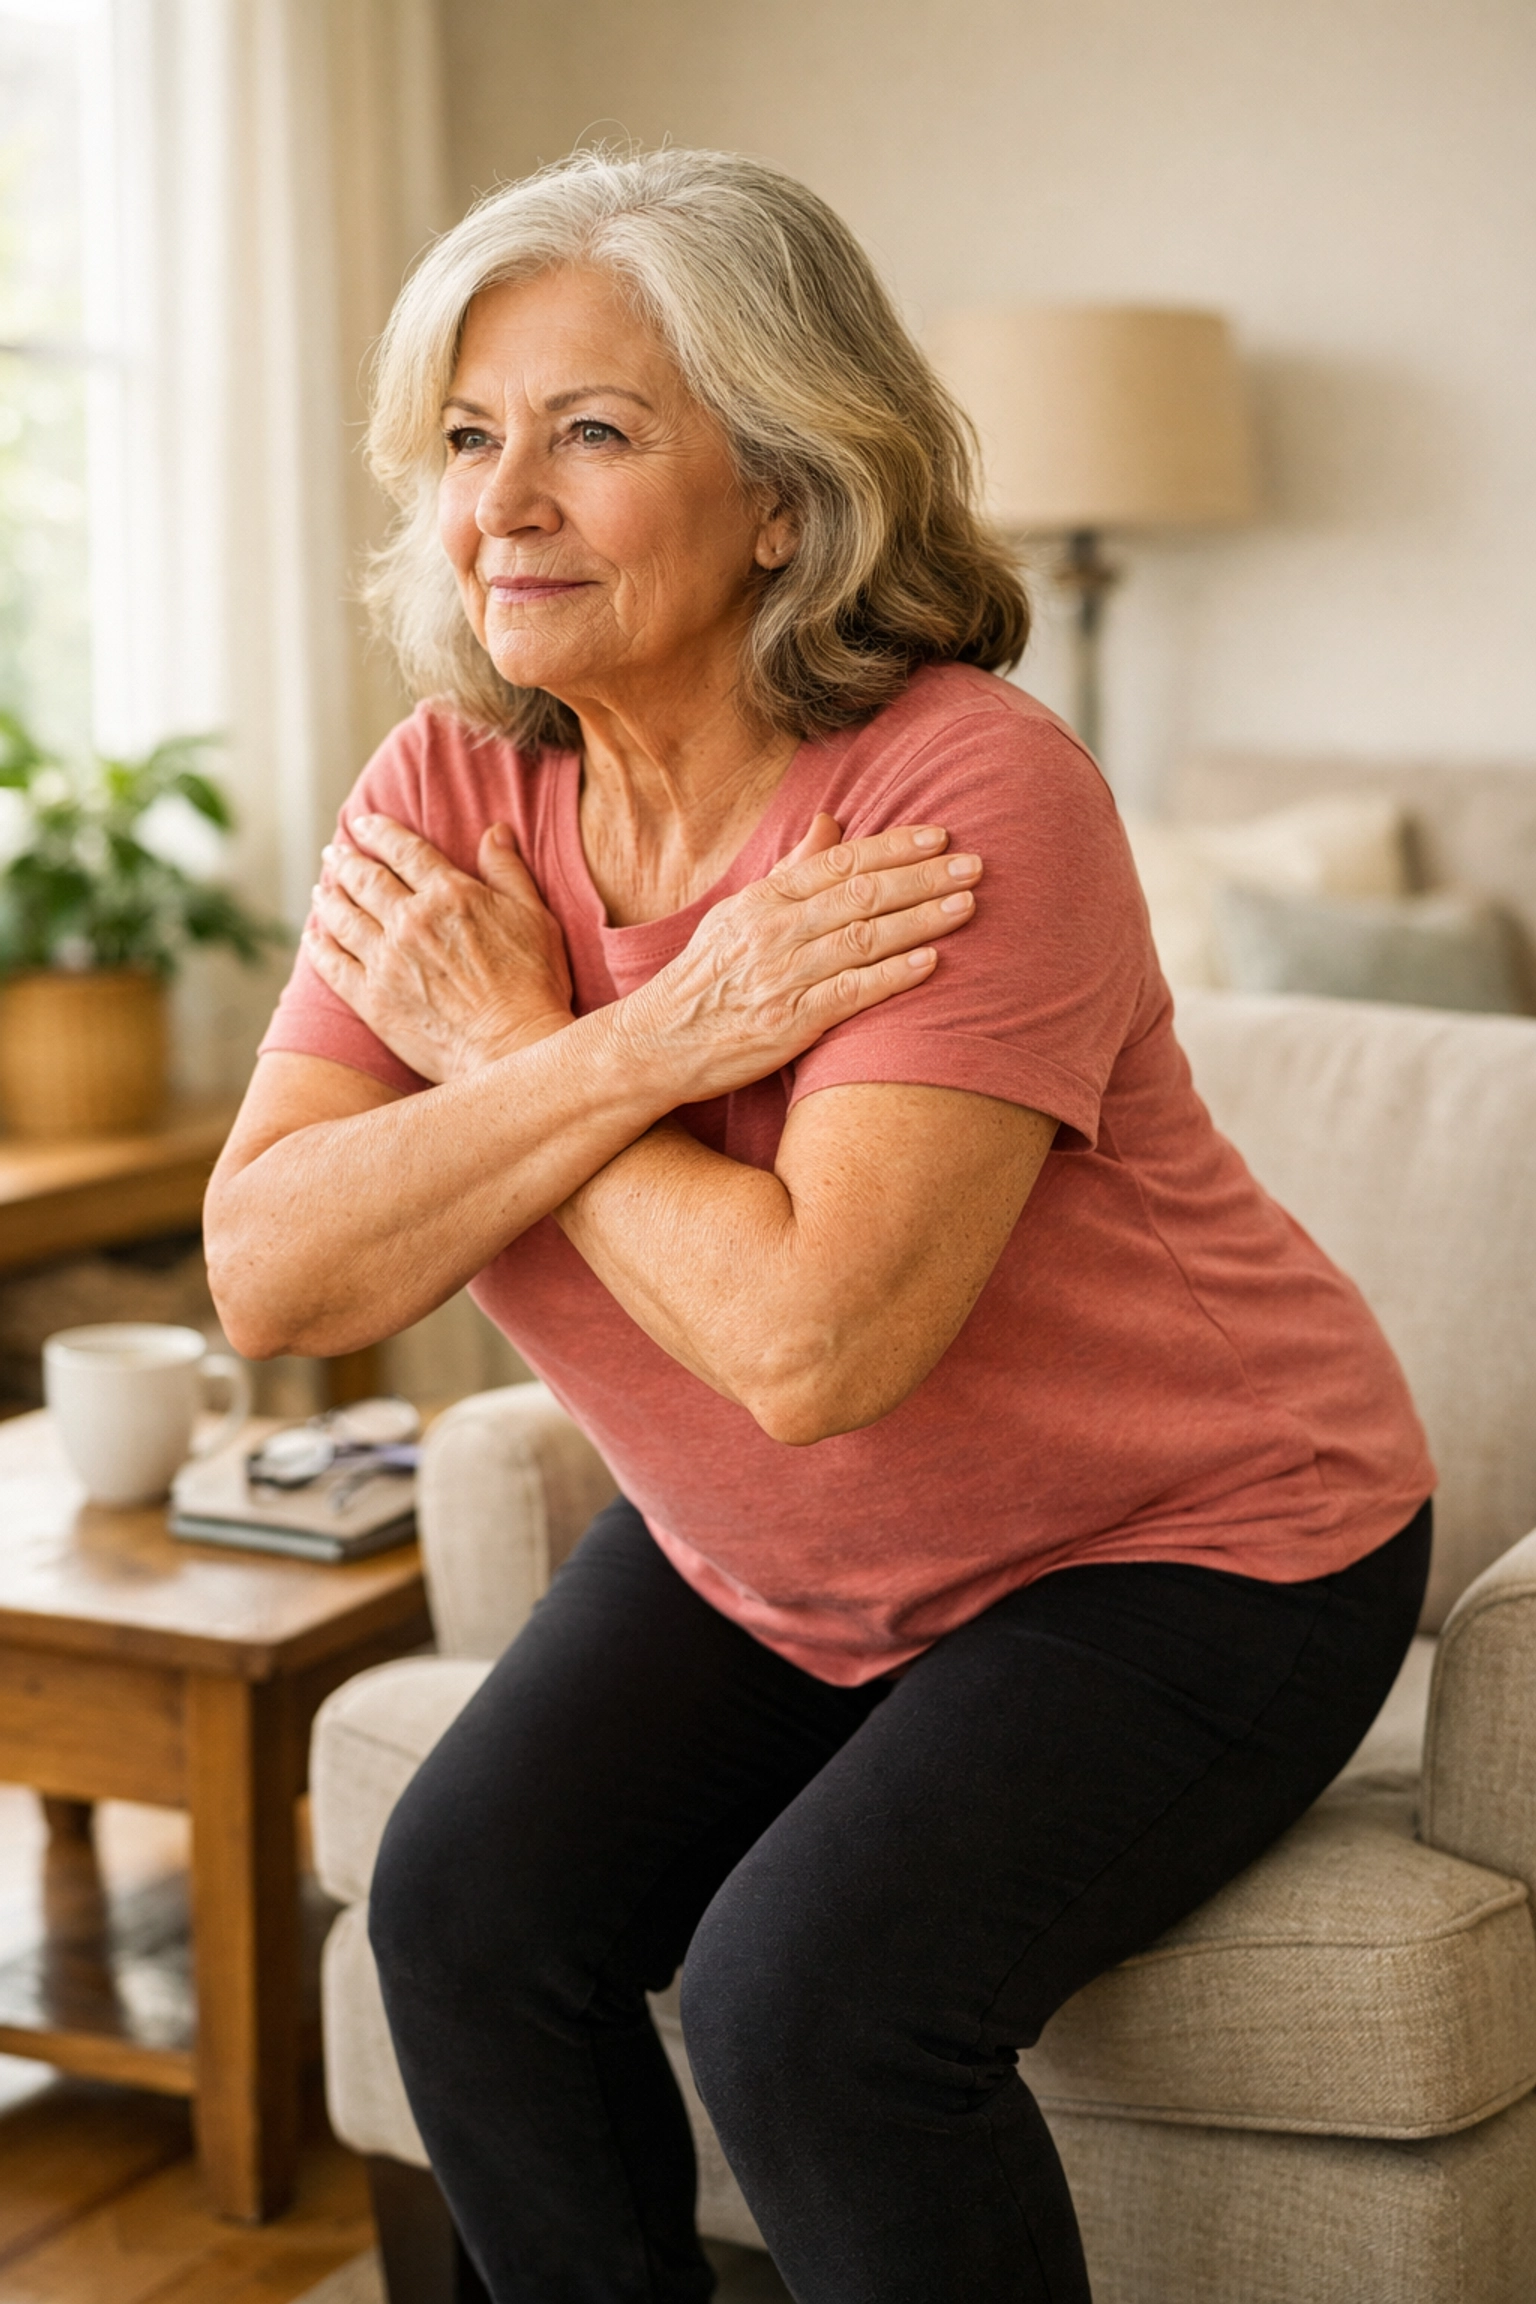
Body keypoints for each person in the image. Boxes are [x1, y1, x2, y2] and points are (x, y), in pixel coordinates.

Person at [204, 147, 1434, 2304]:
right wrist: (622, 1041)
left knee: (811, 2007)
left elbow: (808, 1343)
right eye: (475, 440)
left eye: (594, 434)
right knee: (462, 1914)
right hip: (775, 1552)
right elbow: (276, 1276)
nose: (506, 504)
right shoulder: (447, 794)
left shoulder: (964, 791)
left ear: (785, 488)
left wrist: (506, 1053)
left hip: (1196, 1548)